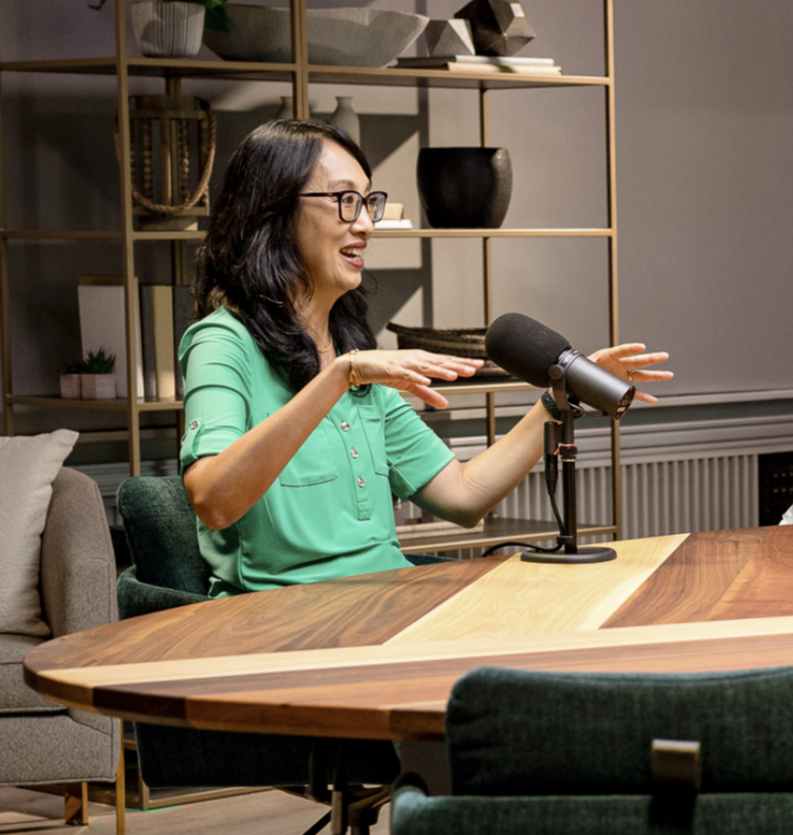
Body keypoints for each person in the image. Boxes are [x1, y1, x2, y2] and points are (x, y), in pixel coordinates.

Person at [180, 118, 672, 598]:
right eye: (345, 201)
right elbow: (213, 500)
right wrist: (339, 377)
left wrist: (560, 397)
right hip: (278, 617)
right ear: (272, 210)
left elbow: (462, 495)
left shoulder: (349, 354)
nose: (366, 225)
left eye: (368, 202)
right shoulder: (222, 344)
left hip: (388, 603)